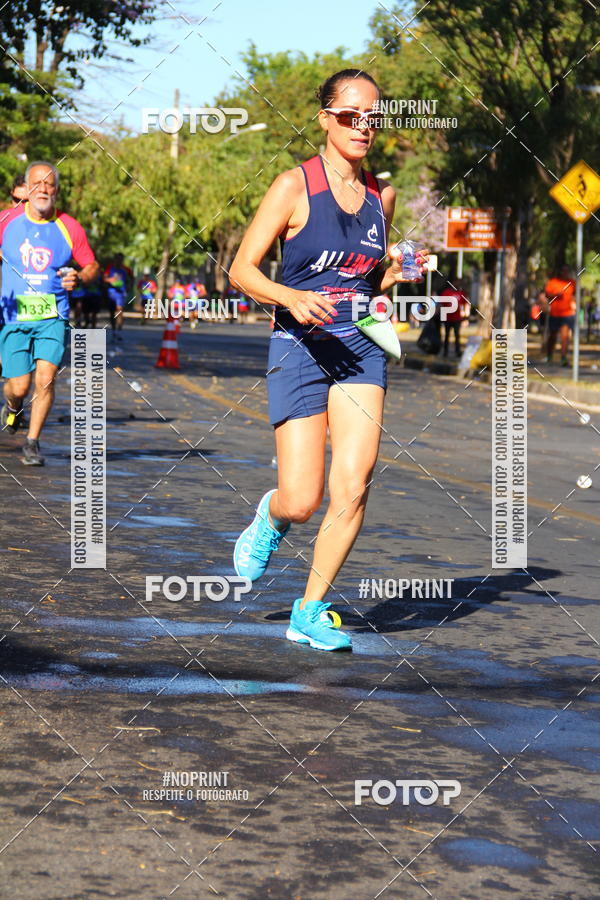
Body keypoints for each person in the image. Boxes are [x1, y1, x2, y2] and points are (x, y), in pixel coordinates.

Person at [230, 69, 427, 652]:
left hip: (360, 348)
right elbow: (242, 270)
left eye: (373, 117)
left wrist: (394, 273)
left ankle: (310, 609)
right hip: (299, 346)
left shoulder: (381, 196)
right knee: (304, 498)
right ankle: (271, 515)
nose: (363, 126)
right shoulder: (293, 187)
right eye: (350, 115)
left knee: (355, 484)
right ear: (325, 119)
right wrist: (290, 297)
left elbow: (370, 276)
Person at [0, 161, 99, 464]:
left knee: (45, 379)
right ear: (27, 189)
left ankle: (32, 442)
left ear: (56, 190)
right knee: (18, 386)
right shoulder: (6, 221)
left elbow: (93, 266)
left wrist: (80, 277)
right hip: (13, 316)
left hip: (52, 317)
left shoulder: (69, 226)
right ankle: (14, 408)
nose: (43, 189)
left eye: (49, 184)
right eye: (37, 183)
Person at [543, 266, 576, 366]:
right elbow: (547, 295)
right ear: (560, 272)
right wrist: (556, 295)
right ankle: (549, 356)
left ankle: (563, 358)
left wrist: (574, 305)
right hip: (555, 313)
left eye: (567, 271)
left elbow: (575, 295)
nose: (565, 273)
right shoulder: (553, 282)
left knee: (565, 336)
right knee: (553, 335)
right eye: (563, 271)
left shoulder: (572, 283)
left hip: (567, 313)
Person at [103, 252, 132, 338]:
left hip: (121, 293)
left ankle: (119, 327)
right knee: (112, 313)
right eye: (117, 259)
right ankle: (114, 330)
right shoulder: (110, 268)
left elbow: (131, 279)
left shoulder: (125, 270)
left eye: (121, 259)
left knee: (119, 310)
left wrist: (129, 286)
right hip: (111, 293)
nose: (119, 261)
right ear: (115, 259)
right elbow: (104, 278)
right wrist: (110, 280)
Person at [440, 281, 470, 357]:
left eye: (458, 284)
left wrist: (466, 316)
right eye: (455, 284)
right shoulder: (446, 293)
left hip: (457, 319)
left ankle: (457, 351)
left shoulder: (461, 293)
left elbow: (466, 304)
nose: (457, 285)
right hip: (447, 318)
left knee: (457, 336)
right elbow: (441, 304)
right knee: (447, 336)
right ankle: (445, 351)